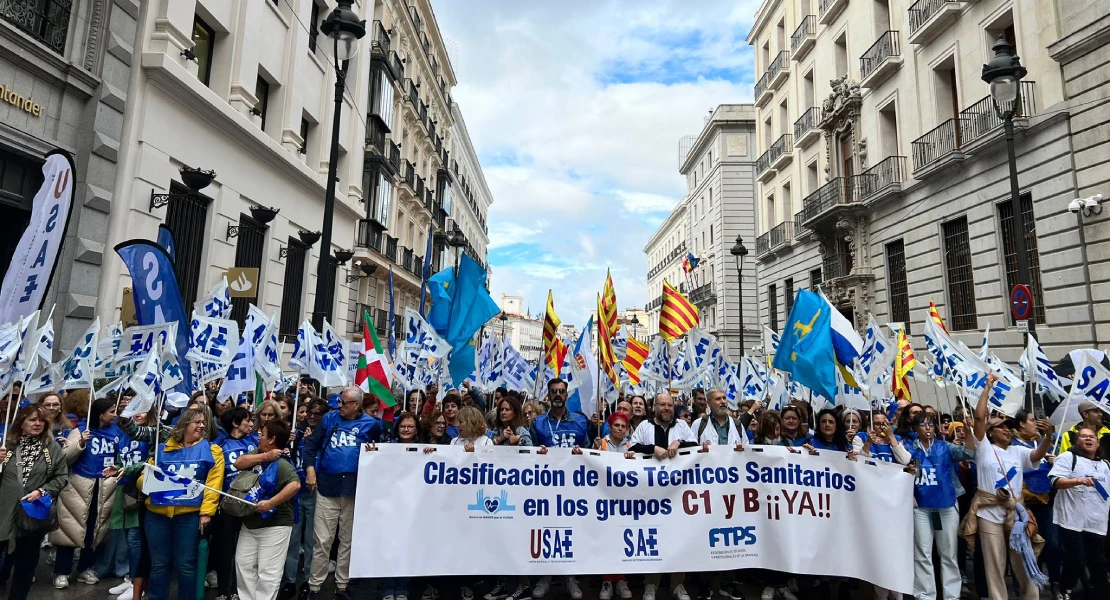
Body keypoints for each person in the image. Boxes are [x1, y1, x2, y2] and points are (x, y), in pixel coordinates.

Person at [962, 373, 1053, 600]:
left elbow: (1037, 454)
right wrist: (986, 388)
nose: (1006, 430)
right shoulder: (983, 447)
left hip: (1017, 515)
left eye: (1008, 427)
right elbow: (980, 419)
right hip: (989, 513)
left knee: (1024, 561)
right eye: (1000, 427)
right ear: (991, 432)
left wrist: (1048, 436)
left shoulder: (1018, 451)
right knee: (995, 566)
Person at [301, 387, 383, 600]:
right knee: (323, 540)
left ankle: (342, 585)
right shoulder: (329, 419)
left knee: (347, 540)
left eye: (344, 403)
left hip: (355, 489)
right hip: (328, 487)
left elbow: (380, 454)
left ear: (356, 405)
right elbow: (310, 446)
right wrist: (310, 470)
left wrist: (375, 452)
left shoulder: (371, 425)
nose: (340, 406)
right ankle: (315, 587)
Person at [138, 407, 225, 600]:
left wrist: (206, 513)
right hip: (157, 515)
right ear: (185, 424)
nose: (202, 426)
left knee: (186, 564)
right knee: (159, 564)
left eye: (204, 423)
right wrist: (150, 481)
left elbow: (213, 485)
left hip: (189, 515)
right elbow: (143, 478)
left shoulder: (212, 451)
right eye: (197, 422)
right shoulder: (162, 450)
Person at [901, 411, 976, 600]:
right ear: (915, 429)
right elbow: (900, 464)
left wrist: (968, 430)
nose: (928, 429)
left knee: (948, 554)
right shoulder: (909, 447)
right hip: (921, 507)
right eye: (923, 425)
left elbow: (968, 452)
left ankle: (952, 596)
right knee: (922, 553)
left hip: (947, 506)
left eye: (931, 425)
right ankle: (925, 595)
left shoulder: (945, 446)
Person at [629, 392, 697, 600]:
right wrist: (653, 449)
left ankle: (678, 584)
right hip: (652, 495)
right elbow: (632, 447)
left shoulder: (682, 427)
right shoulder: (645, 427)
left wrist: (678, 443)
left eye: (670, 405)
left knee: (678, 538)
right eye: (663, 405)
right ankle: (652, 583)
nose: (667, 408)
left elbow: (694, 447)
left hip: (678, 493)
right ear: (655, 407)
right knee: (655, 536)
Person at [51, 396, 122, 588]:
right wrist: (79, 443)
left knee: (95, 529)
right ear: (100, 414)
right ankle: (62, 571)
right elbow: (64, 459)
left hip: (104, 486)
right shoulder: (80, 431)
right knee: (70, 530)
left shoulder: (117, 432)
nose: (115, 414)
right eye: (111, 411)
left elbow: (122, 457)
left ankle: (85, 568)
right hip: (77, 486)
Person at [0, 405, 70, 600]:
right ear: (21, 422)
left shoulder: (51, 448)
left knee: (25, 566)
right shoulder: (6, 444)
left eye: (41, 420)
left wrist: (43, 491)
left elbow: (62, 476)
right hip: (3, 514)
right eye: (32, 419)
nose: (38, 424)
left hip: (30, 516)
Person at [234, 419, 301, 600]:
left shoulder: (282, 463)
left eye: (262, 434)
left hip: (276, 525)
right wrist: (265, 457)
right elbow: (238, 463)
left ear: (271, 439)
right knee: (244, 564)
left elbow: (294, 485)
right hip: (250, 523)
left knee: (268, 572)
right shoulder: (258, 454)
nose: (259, 436)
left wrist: (271, 503)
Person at [1048, 425, 1110, 600]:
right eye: (1084, 436)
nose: (1088, 439)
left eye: (1092, 437)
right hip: (1071, 519)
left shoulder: (1105, 464)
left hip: (1097, 521)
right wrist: (1078, 481)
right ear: (1077, 441)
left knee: (1097, 564)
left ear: (1098, 443)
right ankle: (1065, 587)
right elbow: (1055, 481)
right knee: (1076, 560)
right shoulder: (1068, 458)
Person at [282, 398, 329, 600]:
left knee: (312, 539)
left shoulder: (327, 434)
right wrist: (288, 444)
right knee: (293, 539)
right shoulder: (297, 432)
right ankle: (290, 581)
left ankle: (309, 581)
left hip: (316, 492)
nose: (311, 416)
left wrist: (313, 442)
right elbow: (288, 456)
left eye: (317, 413)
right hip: (295, 492)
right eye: (309, 412)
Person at [1009, 409, 1059, 590]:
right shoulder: (1012, 445)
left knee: (1052, 544)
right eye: (1032, 420)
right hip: (1023, 504)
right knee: (1024, 546)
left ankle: (1055, 583)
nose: (1036, 423)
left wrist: (1056, 462)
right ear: (1021, 423)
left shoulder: (1044, 443)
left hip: (1046, 501)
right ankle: (1024, 586)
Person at [530, 378, 588, 451]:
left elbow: (587, 451)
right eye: (554, 391)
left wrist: (592, 448)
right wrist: (538, 452)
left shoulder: (581, 421)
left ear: (566, 396)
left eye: (562, 391)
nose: (558, 394)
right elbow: (531, 453)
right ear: (549, 396)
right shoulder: (537, 423)